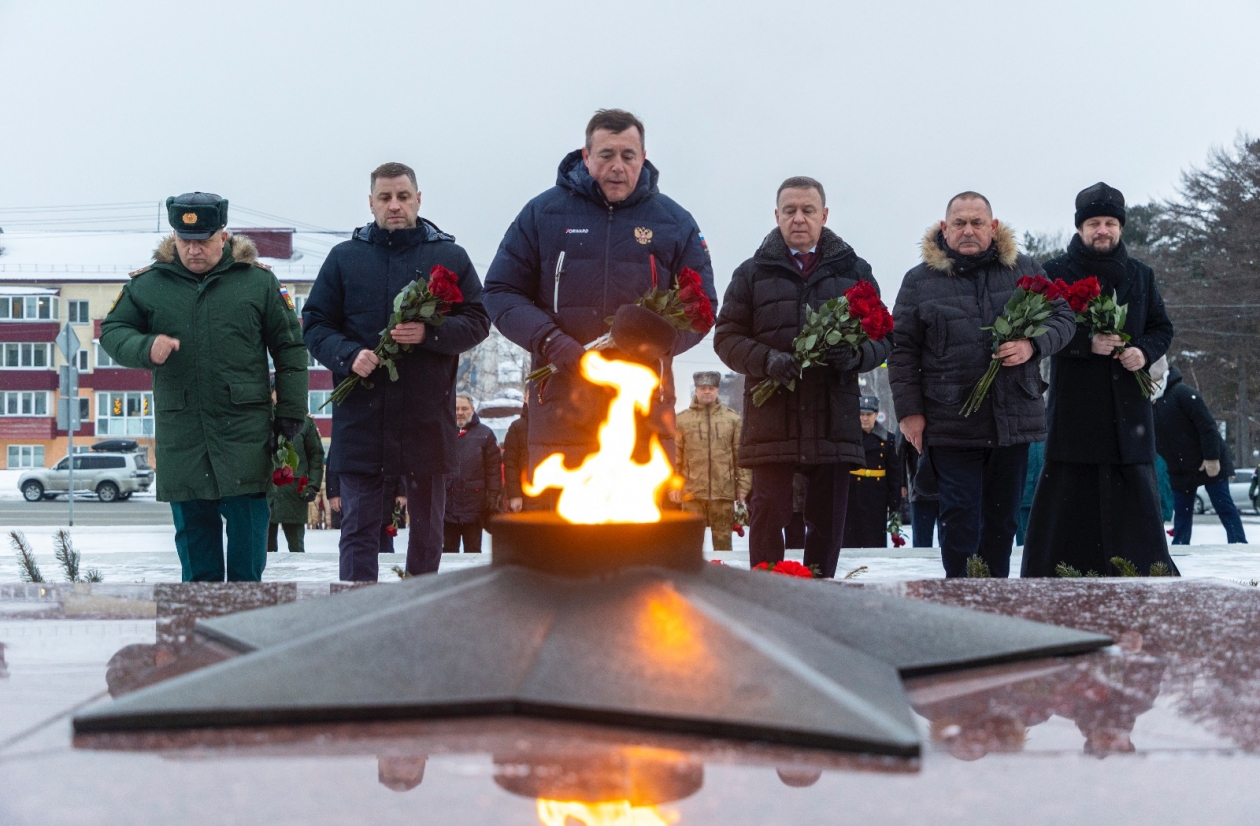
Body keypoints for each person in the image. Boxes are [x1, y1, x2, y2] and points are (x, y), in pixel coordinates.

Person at [483, 109, 717, 474]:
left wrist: (659, 341)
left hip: (643, 411)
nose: (618, 166)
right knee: (554, 529)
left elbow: (702, 307)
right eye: (606, 155)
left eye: (628, 155)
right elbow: (500, 291)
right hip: (560, 406)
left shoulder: (674, 222)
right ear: (586, 155)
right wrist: (551, 342)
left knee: (640, 530)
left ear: (643, 158)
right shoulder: (542, 214)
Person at [100, 192, 308, 582]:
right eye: (185, 241)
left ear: (224, 237)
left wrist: (292, 412)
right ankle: (196, 632)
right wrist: (146, 347)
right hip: (184, 432)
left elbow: (290, 348)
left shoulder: (257, 282)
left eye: (204, 240)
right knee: (196, 548)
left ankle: (248, 627)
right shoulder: (150, 284)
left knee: (248, 541)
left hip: (244, 431)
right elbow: (112, 331)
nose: (194, 250)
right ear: (174, 238)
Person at [303, 162, 490, 581]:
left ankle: (419, 620)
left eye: (403, 197)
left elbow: (479, 321)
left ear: (419, 200)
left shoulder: (449, 256)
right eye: (385, 198)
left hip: (425, 417)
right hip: (363, 417)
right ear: (370, 203)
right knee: (358, 530)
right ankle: (356, 615)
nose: (394, 206)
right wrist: (348, 354)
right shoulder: (345, 259)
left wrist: (429, 332)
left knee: (427, 533)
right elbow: (314, 323)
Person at [889, 191, 1075, 578]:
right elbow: (903, 352)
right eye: (959, 223)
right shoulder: (919, 281)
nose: (968, 230)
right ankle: (960, 598)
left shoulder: (1025, 271)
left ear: (993, 227)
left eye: (977, 222)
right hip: (950, 423)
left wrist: (1032, 345)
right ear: (945, 228)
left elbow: (1063, 319)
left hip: (1012, 419)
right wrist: (910, 413)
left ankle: (996, 599)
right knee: (959, 519)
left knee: (1002, 521)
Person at [715, 176, 891, 578]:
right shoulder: (752, 274)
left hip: (833, 419)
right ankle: (766, 596)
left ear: (824, 215)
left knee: (827, 524)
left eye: (808, 210)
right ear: (776, 216)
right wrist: (766, 360)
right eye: (790, 211)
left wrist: (855, 355)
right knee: (767, 517)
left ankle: (820, 596)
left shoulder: (854, 271)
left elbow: (885, 337)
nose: (799, 219)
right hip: (772, 420)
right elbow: (726, 339)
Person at [1022, 183, 1180, 577]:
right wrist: (1083, 343)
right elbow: (1039, 331)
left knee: (1134, 510)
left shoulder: (1142, 275)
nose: (1103, 230)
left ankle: (1142, 574)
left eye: (1110, 222)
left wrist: (1142, 351)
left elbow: (1162, 327)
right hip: (1077, 412)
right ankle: (1058, 574)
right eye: (1094, 223)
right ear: (1080, 228)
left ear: (1121, 227)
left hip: (1130, 415)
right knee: (1069, 502)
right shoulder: (1055, 272)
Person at [1153, 359, 1249, 544]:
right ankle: (1181, 550)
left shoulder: (1183, 393)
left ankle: (1238, 544)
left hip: (1209, 462)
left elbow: (1208, 427)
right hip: (1180, 470)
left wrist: (1212, 458)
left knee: (1223, 506)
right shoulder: (1148, 403)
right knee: (1182, 515)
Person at [671, 371, 752, 551]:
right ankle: (691, 577)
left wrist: (743, 487)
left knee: (723, 542)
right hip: (691, 492)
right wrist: (674, 485)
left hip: (723, 491)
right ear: (696, 390)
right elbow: (675, 456)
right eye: (702, 388)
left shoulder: (732, 419)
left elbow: (740, 454)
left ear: (717, 390)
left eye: (711, 388)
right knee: (690, 543)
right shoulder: (682, 420)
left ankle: (721, 577)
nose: (707, 392)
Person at [443, 394, 502, 553]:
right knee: (447, 553)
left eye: (464, 408)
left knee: (473, 552)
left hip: (475, 507)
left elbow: (493, 469)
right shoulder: (442, 433)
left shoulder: (485, 434)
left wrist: (493, 496)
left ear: (473, 410)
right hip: (447, 507)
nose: (460, 412)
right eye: (456, 409)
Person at [267, 390, 324, 553]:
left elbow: (316, 455)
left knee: (296, 546)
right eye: (277, 390)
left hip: (294, 491)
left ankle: (298, 577)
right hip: (267, 492)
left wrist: (313, 485)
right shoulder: (261, 421)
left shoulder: (304, 422)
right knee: (265, 549)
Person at [843, 396, 902, 548]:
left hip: (876, 496)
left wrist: (894, 503)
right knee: (850, 542)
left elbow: (894, 473)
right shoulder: (849, 437)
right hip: (853, 494)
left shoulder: (888, 439)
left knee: (874, 541)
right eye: (861, 414)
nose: (864, 418)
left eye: (868, 415)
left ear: (876, 415)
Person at [899, 439, 938, 547]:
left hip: (947, 489)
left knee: (950, 542)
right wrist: (901, 482)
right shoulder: (910, 422)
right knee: (922, 543)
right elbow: (900, 452)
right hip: (920, 489)